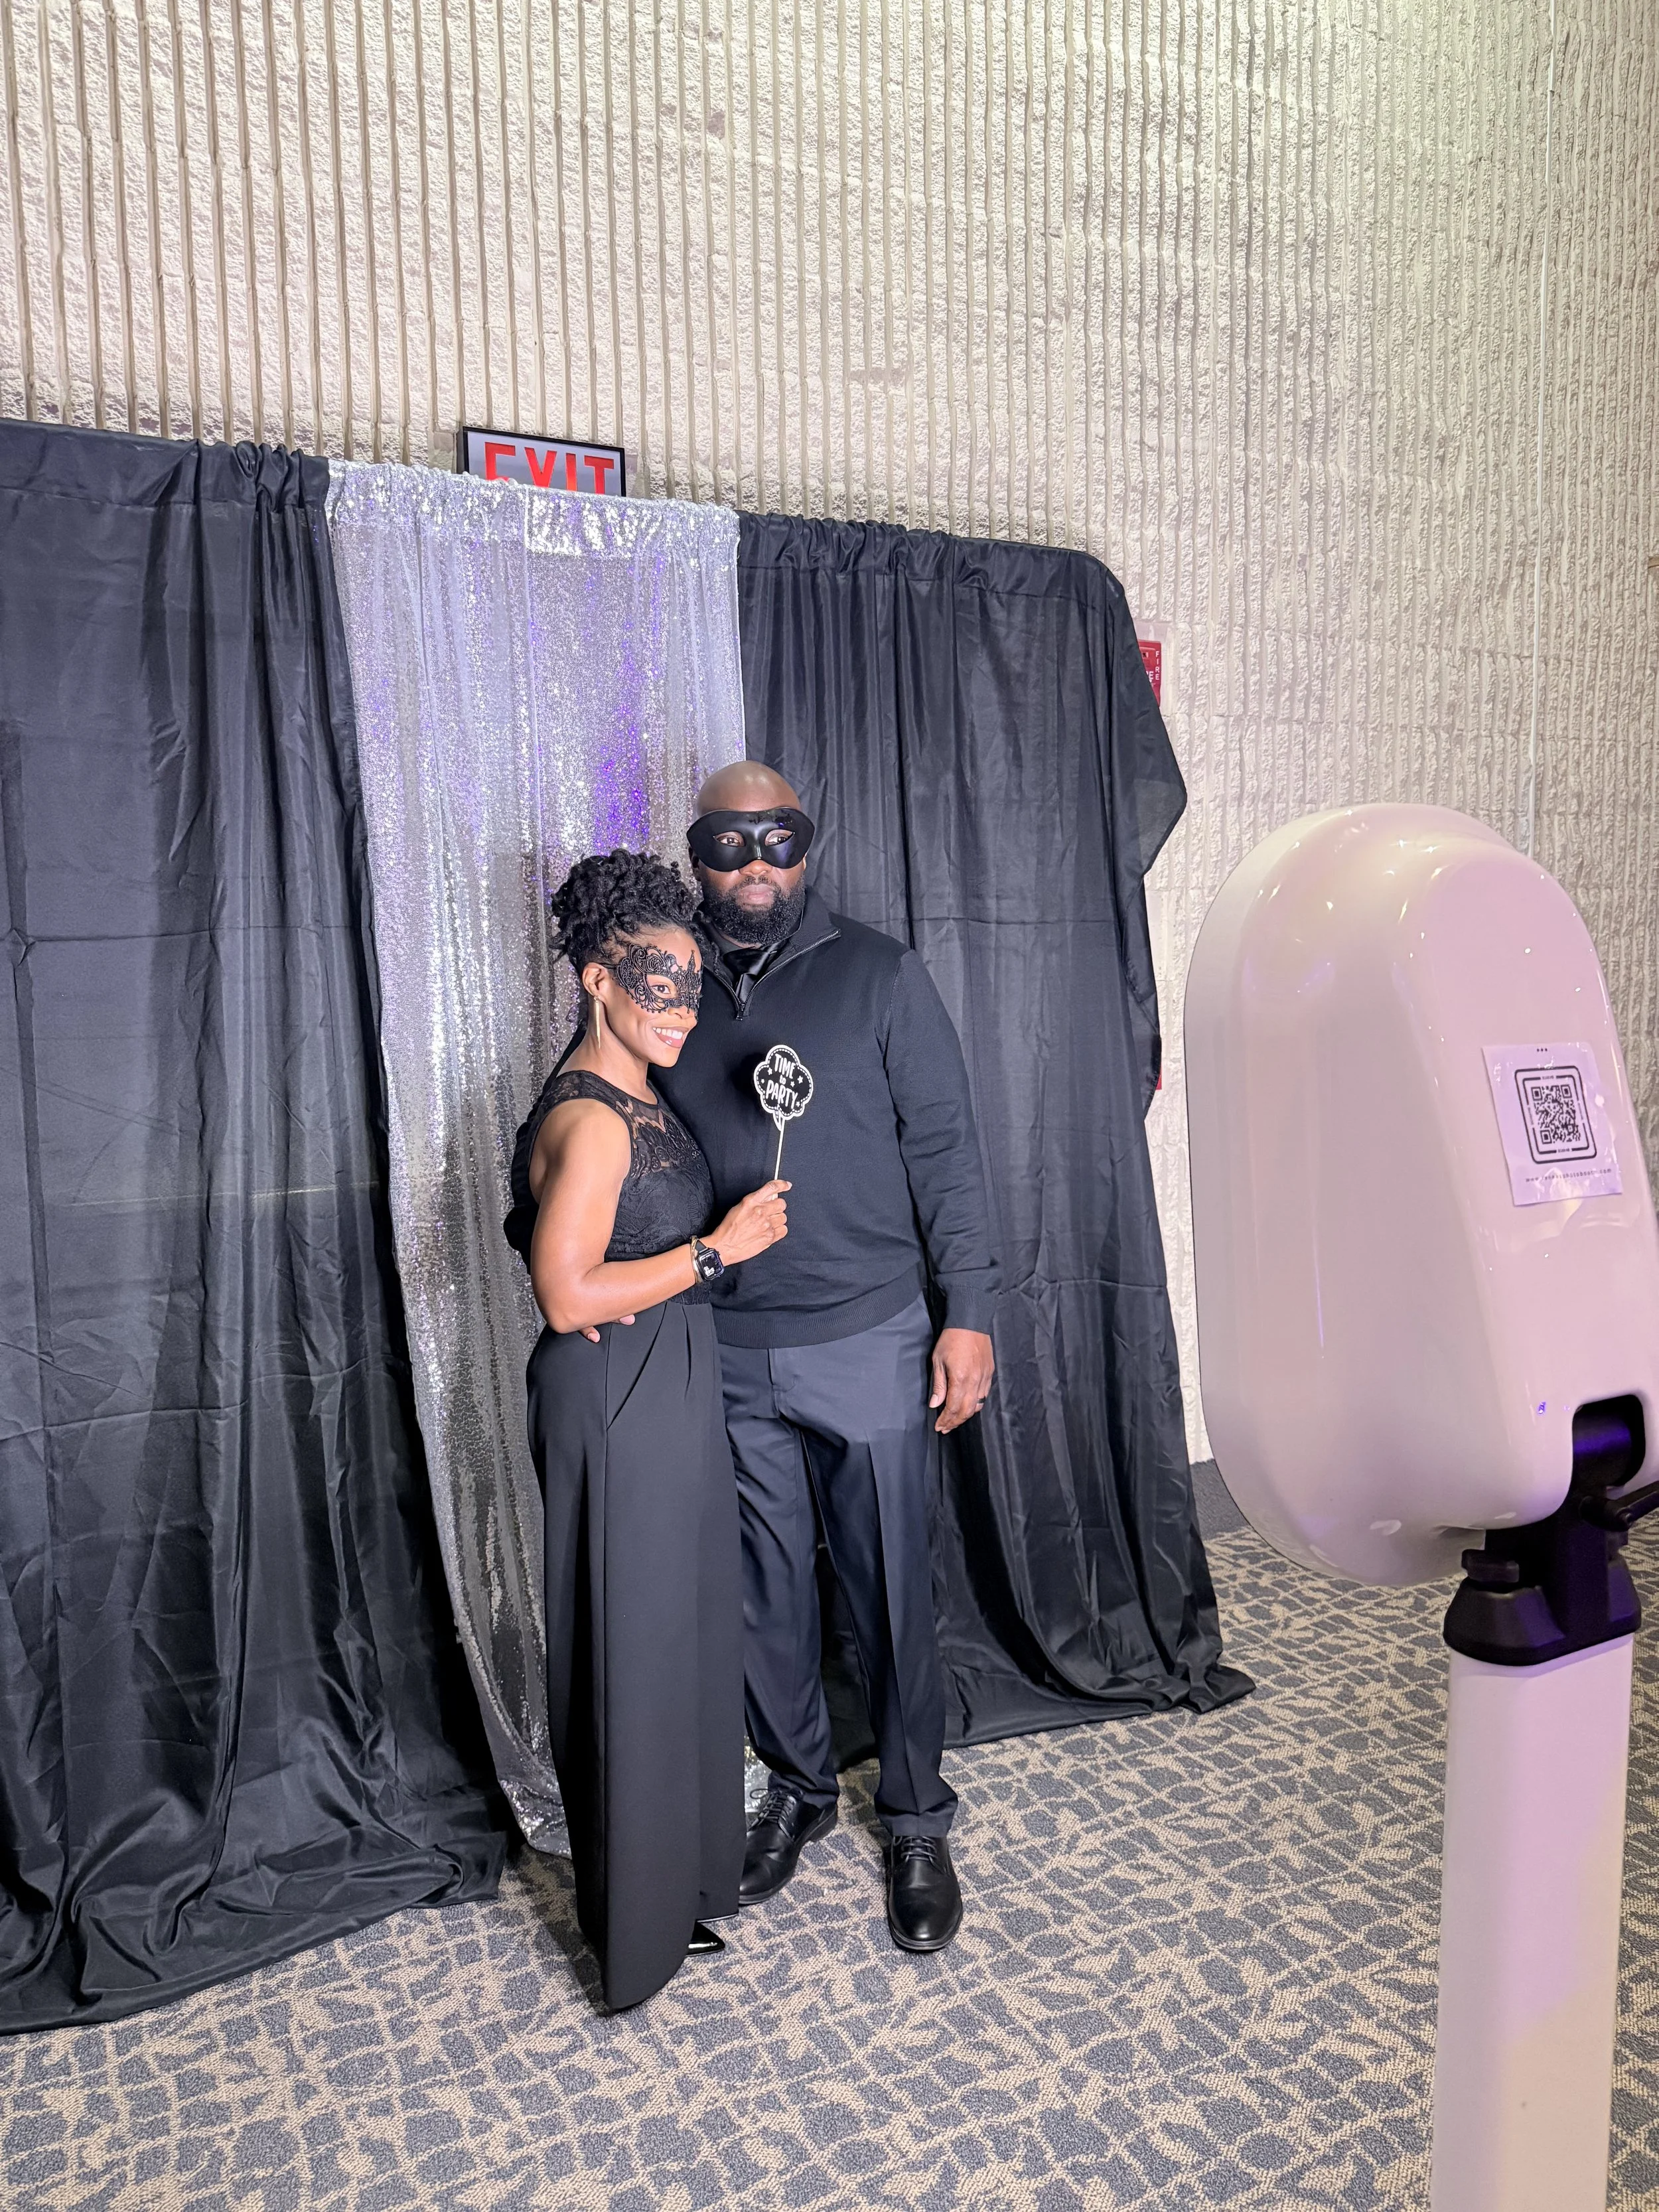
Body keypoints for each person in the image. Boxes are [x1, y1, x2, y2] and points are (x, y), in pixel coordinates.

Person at [656, 763, 999, 1953]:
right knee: (762, 1596)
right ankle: (799, 1788)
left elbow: (949, 1148)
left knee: (892, 1586)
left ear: (809, 846)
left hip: (870, 1332)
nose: (757, 861)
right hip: (727, 1341)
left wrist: (972, 1313)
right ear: (698, 853)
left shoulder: (880, 972)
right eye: (729, 839)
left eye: (780, 837)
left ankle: (913, 1815)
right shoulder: (666, 987)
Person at [505, 849, 790, 2010]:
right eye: (653, 981)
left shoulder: (634, 1093)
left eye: (689, 980)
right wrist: (723, 1248)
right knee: (628, 1649)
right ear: (594, 981)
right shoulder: (595, 1124)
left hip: (662, 1378)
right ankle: (632, 1928)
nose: (679, 1004)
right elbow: (566, 1293)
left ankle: (672, 1889)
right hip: (613, 1390)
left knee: (673, 1638)